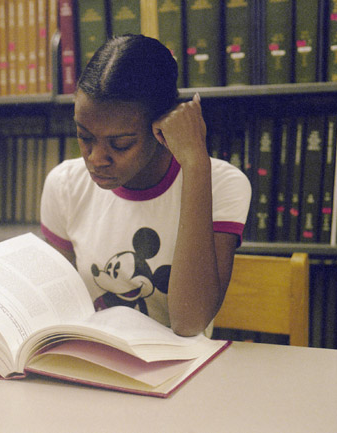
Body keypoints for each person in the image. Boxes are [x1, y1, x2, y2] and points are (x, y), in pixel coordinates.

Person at [40, 34, 251, 337]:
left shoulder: (222, 183)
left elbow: (189, 322)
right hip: (91, 367)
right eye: (85, 137)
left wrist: (194, 163)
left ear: (163, 124)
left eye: (121, 144)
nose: (96, 159)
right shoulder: (64, 185)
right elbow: (60, 309)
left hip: (183, 374)